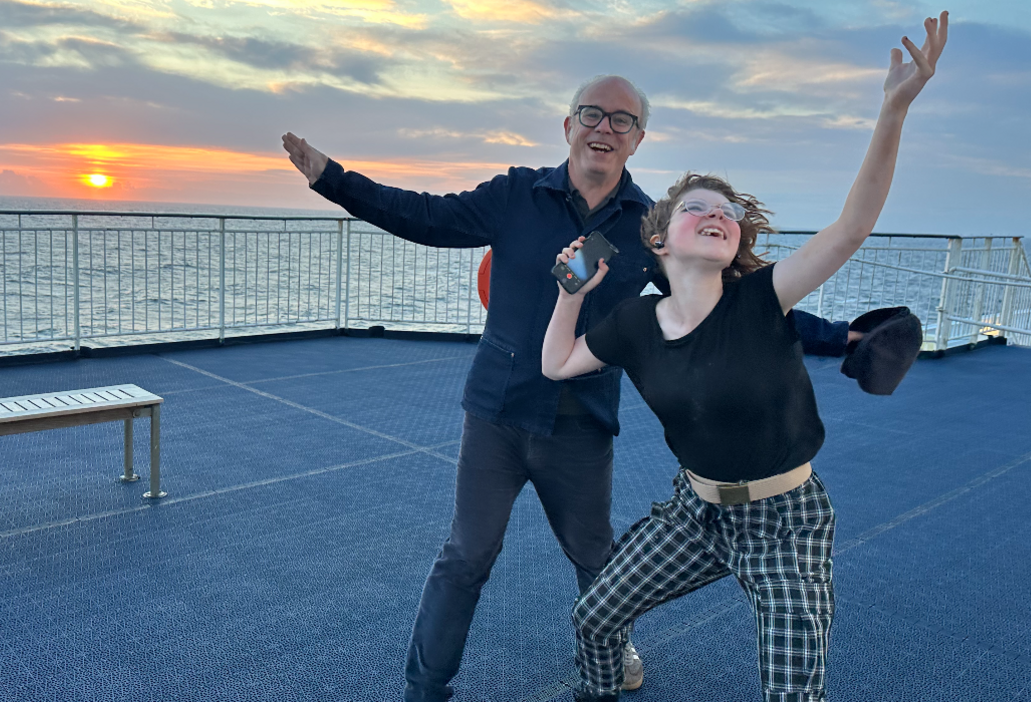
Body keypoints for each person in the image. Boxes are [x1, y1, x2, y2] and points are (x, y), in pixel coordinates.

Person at [281, 75, 855, 702]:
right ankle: (425, 687)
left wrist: (845, 337)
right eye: (592, 115)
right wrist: (330, 178)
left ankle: (612, 649)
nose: (604, 128)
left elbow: (730, 310)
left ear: (637, 140)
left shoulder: (646, 226)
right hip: (497, 415)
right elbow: (425, 215)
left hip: (582, 422)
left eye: (621, 121)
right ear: (568, 126)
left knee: (596, 558)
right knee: (466, 556)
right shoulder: (516, 195)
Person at [541, 12, 948, 702]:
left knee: (792, 693)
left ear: (734, 242)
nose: (719, 212)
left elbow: (850, 229)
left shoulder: (763, 299)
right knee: (594, 617)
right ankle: (601, 691)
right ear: (662, 241)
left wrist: (893, 109)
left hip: (786, 520)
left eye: (728, 211)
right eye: (699, 206)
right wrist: (571, 292)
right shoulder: (638, 321)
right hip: (693, 513)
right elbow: (557, 364)